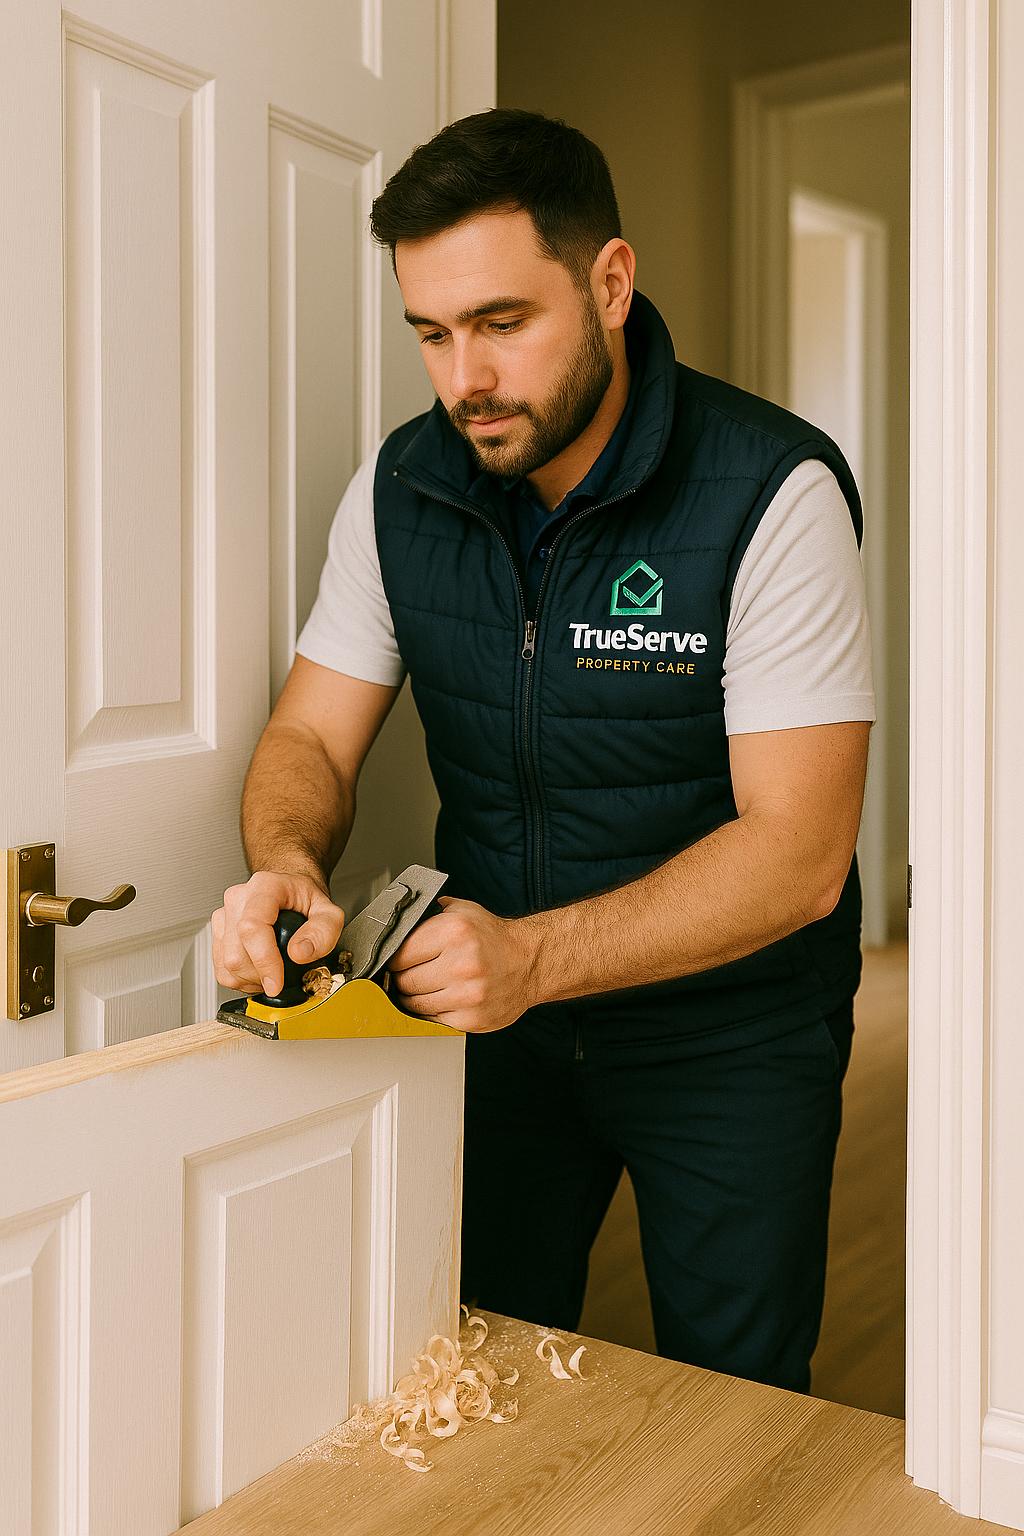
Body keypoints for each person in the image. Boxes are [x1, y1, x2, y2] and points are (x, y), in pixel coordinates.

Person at [212, 109, 874, 1393]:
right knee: (473, 1368)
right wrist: (284, 859)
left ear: (610, 284)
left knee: (731, 1401)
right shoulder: (400, 488)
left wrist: (535, 954)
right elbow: (310, 734)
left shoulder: (772, 490)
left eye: (503, 323)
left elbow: (800, 853)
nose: (464, 377)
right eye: (431, 332)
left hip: (729, 1035)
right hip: (492, 1033)